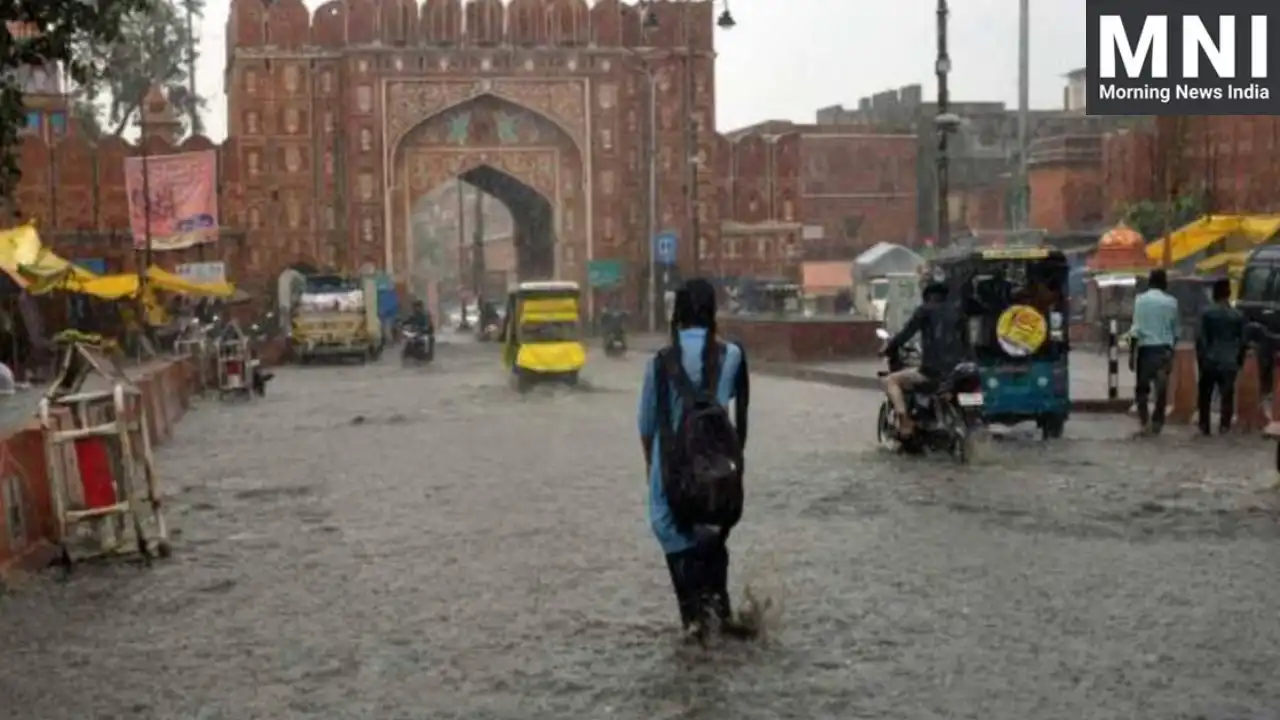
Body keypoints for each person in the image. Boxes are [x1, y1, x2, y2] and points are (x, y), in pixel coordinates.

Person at [638, 278, 751, 642]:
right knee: (713, 534)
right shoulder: (732, 355)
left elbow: (646, 424)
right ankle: (724, 612)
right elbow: (740, 417)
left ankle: (693, 620)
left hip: (671, 468)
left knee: (674, 534)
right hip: (718, 470)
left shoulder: (659, 363)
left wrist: (651, 470)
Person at [879, 281, 968, 436]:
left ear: (927, 295)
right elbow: (966, 341)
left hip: (933, 372)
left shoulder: (924, 310)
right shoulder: (958, 312)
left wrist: (888, 348)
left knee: (891, 380)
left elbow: (906, 333)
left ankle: (905, 421)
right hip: (958, 371)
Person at [1131, 269, 1179, 435]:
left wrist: (1131, 355)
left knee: (1142, 390)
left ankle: (1144, 422)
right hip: (1164, 351)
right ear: (1164, 282)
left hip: (1145, 351)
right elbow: (1176, 331)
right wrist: (1172, 353)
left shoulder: (1140, 300)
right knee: (1161, 390)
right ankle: (1157, 423)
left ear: (1150, 282)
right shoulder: (1172, 302)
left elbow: (1136, 330)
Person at [1196, 278, 1245, 435]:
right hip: (1229, 360)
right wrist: (1239, 360)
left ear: (1214, 294)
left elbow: (1201, 339)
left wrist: (1201, 360)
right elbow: (1242, 341)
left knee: (1205, 394)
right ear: (1229, 294)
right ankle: (1224, 426)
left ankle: (1205, 426)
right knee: (1227, 395)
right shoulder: (1237, 315)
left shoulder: (1207, 313)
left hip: (1210, 359)